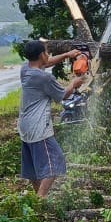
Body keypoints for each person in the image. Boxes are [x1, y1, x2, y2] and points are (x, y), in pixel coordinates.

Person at [19, 40, 85, 198]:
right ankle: (41, 199)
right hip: (38, 127)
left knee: (34, 169)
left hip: (24, 126)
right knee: (55, 161)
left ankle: (36, 199)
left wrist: (67, 55)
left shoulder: (26, 69)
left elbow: (46, 63)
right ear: (42, 54)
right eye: (46, 52)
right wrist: (74, 83)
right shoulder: (44, 78)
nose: (48, 55)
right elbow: (63, 95)